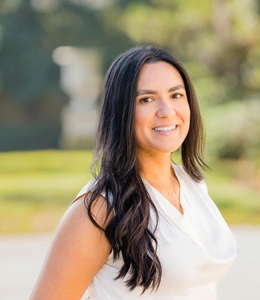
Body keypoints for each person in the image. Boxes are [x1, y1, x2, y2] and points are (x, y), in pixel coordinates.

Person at [30, 45, 237, 300]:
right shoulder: (100, 209)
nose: (166, 111)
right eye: (146, 99)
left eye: (176, 95)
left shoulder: (192, 184)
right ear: (121, 112)